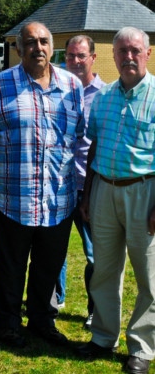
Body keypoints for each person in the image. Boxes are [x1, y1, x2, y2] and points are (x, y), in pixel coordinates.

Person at [0, 21, 84, 348]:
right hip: (14, 196)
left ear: (52, 46)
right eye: (30, 42)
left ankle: (42, 320)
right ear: (18, 48)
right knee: (9, 268)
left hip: (59, 197)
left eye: (43, 41)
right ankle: (9, 324)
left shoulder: (72, 86)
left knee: (48, 268)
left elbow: (80, 137)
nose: (37, 47)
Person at [76, 27, 155, 374]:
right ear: (113, 55)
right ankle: (103, 336)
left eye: (135, 50)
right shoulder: (105, 97)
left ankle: (141, 347)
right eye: (122, 51)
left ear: (148, 54)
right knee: (105, 270)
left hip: (144, 191)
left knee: (150, 278)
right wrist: (88, 193)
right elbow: (93, 146)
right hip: (104, 189)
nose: (128, 57)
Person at [54, 35, 104, 326]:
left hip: (90, 187)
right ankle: (55, 299)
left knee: (96, 254)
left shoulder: (106, 95)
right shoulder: (57, 89)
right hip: (59, 185)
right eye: (69, 56)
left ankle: (95, 309)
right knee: (53, 250)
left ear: (93, 58)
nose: (74, 61)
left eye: (80, 56)